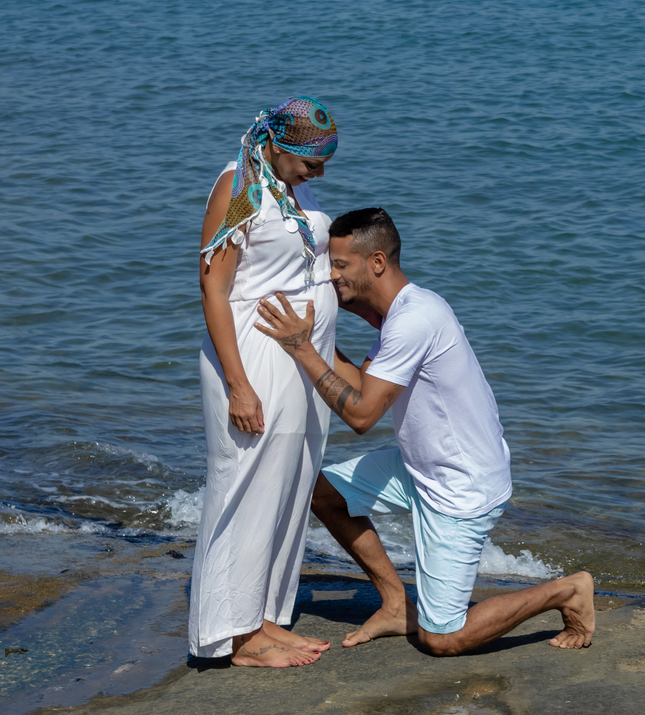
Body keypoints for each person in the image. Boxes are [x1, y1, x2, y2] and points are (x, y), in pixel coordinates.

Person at [254, 207, 595, 656]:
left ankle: (567, 591)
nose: (331, 276)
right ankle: (397, 603)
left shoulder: (414, 321)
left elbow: (361, 415)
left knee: (442, 638)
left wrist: (301, 348)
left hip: (461, 486)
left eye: (340, 265)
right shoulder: (401, 313)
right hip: (421, 467)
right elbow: (362, 386)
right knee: (320, 492)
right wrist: (313, 336)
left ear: (376, 262)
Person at [188, 97, 340, 668]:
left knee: (290, 485)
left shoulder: (289, 185)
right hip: (253, 356)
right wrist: (237, 383)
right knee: (244, 487)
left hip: (300, 355)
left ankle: (264, 617)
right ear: (276, 144)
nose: (319, 173)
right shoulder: (239, 186)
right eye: (310, 162)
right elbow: (213, 288)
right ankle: (232, 636)